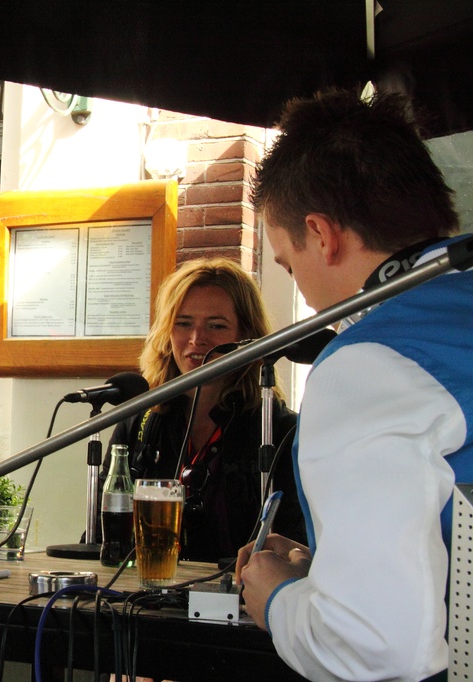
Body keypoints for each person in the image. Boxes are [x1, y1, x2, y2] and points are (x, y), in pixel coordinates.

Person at [235, 87, 473, 682]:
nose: (306, 294)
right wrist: (333, 569)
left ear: (322, 234)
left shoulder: (369, 362)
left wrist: (278, 599)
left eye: (290, 265)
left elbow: (376, 645)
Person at [104, 258, 305, 563]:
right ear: (166, 333)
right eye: (183, 323)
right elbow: (106, 534)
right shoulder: (138, 421)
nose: (197, 340)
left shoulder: (280, 429)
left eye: (216, 325)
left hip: (241, 601)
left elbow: (298, 543)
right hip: (144, 600)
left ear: (246, 335)